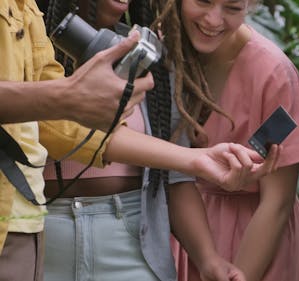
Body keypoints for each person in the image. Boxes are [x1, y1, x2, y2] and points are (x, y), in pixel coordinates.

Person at [0, 0, 278, 280]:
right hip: (41, 232)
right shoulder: (34, 33)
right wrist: (70, 95)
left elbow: (61, 125)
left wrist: (197, 161)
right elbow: (55, 118)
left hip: (124, 238)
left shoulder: (145, 52)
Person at [157, 0, 299, 279]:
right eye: (203, 2)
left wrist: (242, 274)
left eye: (232, 9)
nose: (213, 20)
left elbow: (277, 202)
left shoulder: (272, 74)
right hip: (185, 230)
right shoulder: (164, 50)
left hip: (254, 237)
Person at [0, 0, 152, 280]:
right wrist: (70, 95)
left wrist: (197, 160)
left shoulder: (26, 6)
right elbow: (57, 105)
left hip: (23, 223)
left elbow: (49, 118)